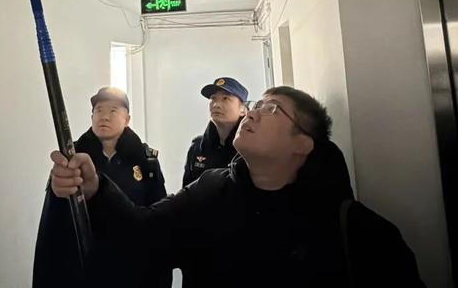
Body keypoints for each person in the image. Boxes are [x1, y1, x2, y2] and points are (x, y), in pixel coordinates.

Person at [50, 86, 426, 288]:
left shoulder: (358, 231)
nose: (254, 112)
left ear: (303, 143)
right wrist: (96, 188)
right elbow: (143, 232)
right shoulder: (208, 191)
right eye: (257, 104)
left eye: (272, 109)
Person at [33, 86, 169, 288]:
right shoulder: (72, 159)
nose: (104, 117)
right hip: (84, 267)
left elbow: (158, 219)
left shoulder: (145, 160)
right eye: (98, 110)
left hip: (130, 268)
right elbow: (54, 226)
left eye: (113, 111)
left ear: (127, 119)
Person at [183, 77, 248, 187]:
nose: (216, 104)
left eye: (225, 98)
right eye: (213, 98)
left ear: (243, 109)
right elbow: (186, 193)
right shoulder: (197, 147)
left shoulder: (250, 147)